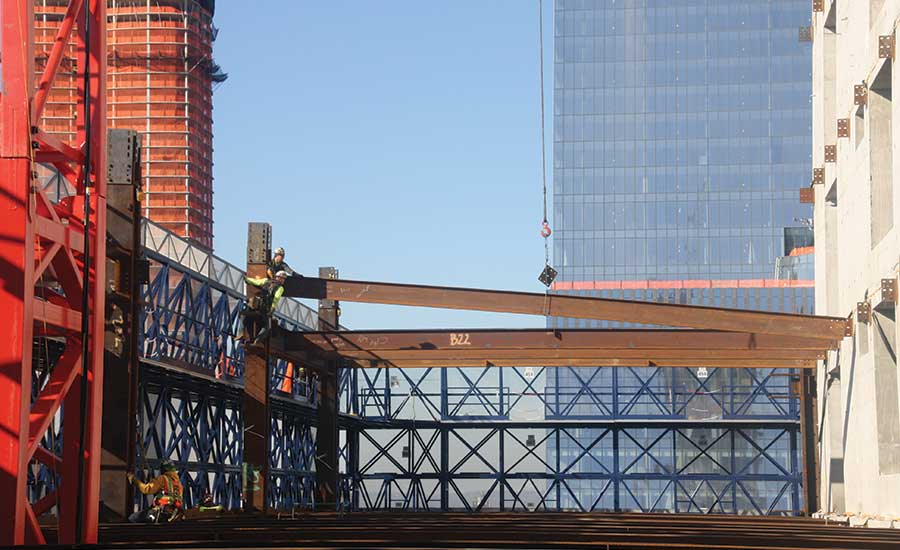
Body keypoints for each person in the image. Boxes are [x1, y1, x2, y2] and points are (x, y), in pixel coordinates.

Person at [243, 270, 287, 344]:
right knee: (267, 328)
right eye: (283, 279)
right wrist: (272, 310)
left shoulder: (266, 281)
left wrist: (246, 279)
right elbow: (276, 299)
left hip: (255, 306)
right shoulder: (280, 288)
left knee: (246, 319)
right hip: (264, 308)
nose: (284, 281)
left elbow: (255, 282)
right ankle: (256, 341)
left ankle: (246, 336)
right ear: (278, 278)